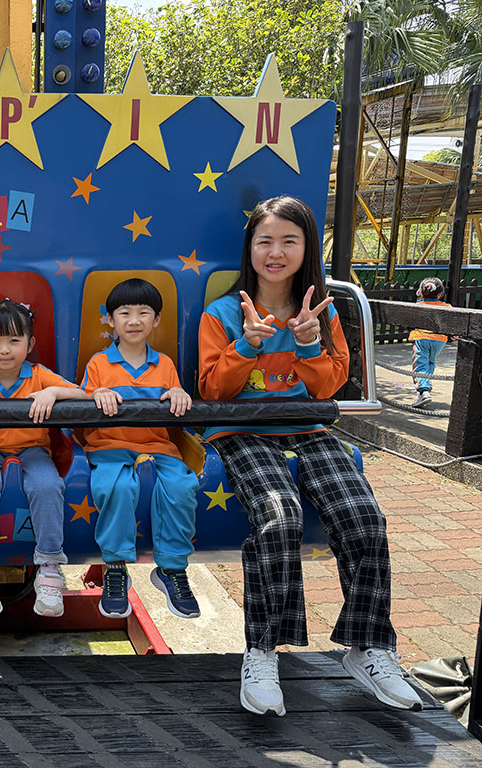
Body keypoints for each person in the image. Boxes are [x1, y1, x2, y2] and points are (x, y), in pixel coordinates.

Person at [198, 195, 421, 716]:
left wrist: (307, 344)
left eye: (288, 241)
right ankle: (262, 650)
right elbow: (212, 390)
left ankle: (369, 645)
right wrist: (246, 346)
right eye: (265, 241)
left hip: (307, 426)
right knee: (280, 517)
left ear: (307, 249)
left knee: (364, 518)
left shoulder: (321, 311)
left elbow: (328, 388)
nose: (275, 252)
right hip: (242, 429)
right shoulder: (222, 313)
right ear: (249, 248)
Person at [0, 300, 89, 618]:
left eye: (14, 340)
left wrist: (52, 393)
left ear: (30, 343)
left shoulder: (38, 375)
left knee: (48, 485)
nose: (5, 350)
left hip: (31, 448)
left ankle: (49, 568)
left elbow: (83, 394)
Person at [81, 278, 200, 620]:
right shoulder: (98, 364)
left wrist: (178, 394)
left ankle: (172, 568)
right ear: (110, 320)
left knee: (182, 486)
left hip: (157, 446)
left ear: (156, 319)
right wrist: (96, 395)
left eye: (143, 312)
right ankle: (115, 566)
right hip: (110, 446)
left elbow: (177, 397)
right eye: (125, 313)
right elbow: (83, 399)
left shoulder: (164, 365)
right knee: (115, 486)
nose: (134, 320)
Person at [409, 277, 450, 408]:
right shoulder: (447, 307)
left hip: (422, 339)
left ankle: (423, 391)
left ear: (421, 292)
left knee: (420, 364)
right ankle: (425, 383)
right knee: (430, 362)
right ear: (441, 294)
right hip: (439, 341)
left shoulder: (418, 306)